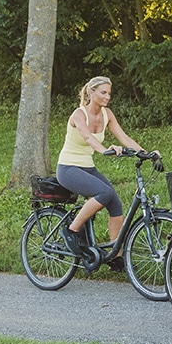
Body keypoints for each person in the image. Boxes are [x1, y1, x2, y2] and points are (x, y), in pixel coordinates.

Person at [57, 76, 152, 272]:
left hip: (86, 167)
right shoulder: (79, 114)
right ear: (91, 93)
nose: (107, 96)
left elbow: (124, 137)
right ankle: (71, 230)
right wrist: (103, 150)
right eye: (103, 92)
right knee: (104, 193)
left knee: (114, 202)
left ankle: (115, 256)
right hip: (68, 168)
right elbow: (87, 136)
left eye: (109, 93)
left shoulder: (107, 114)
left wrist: (146, 153)